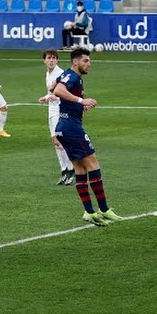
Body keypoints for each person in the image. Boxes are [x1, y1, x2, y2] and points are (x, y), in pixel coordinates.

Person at [52, 48, 122, 226]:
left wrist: (73, 105)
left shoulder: (69, 76)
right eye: (85, 61)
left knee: (80, 169)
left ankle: (89, 212)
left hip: (62, 127)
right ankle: (104, 209)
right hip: (71, 128)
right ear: (75, 62)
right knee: (93, 164)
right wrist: (81, 101)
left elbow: (52, 87)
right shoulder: (73, 76)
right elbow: (58, 90)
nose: (88, 64)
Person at [37, 49, 75, 186]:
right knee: (55, 142)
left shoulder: (60, 74)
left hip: (60, 110)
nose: (51, 60)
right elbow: (51, 92)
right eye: (49, 58)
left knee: (61, 141)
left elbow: (64, 92)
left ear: (57, 60)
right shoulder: (48, 74)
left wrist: (48, 97)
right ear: (44, 60)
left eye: (53, 58)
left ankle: (71, 169)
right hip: (51, 110)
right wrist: (47, 97)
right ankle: (64, 170)